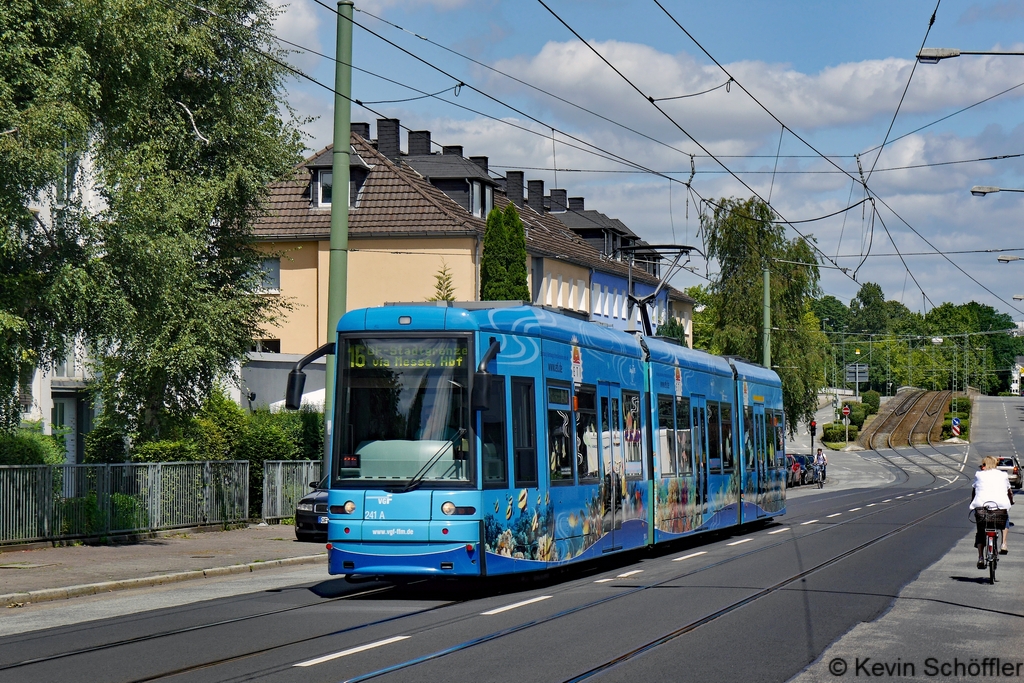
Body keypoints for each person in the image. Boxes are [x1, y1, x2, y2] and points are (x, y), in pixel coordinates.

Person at [969, 455, 1014, 569]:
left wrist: (974, 503)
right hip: (1000, 508)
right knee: (1005, 519)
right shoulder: (1003, 475)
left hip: (982, 508)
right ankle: (1003, 544)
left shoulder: (979, 474)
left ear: (984, 465)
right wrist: (1011, 501)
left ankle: (980, 557)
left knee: (980, 530)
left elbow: (975, 491)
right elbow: (1009, 492)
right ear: (996, 465)